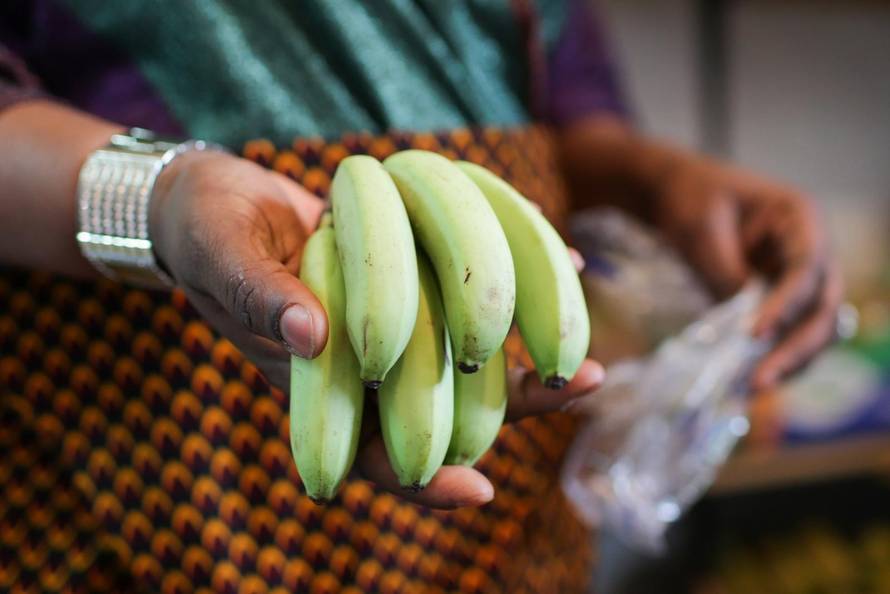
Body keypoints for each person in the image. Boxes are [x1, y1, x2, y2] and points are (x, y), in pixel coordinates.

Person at [0, 1, 840, 592]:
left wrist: (661, 180)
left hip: (500, 474)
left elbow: (560, 98)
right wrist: (156, 197)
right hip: (143, 459)